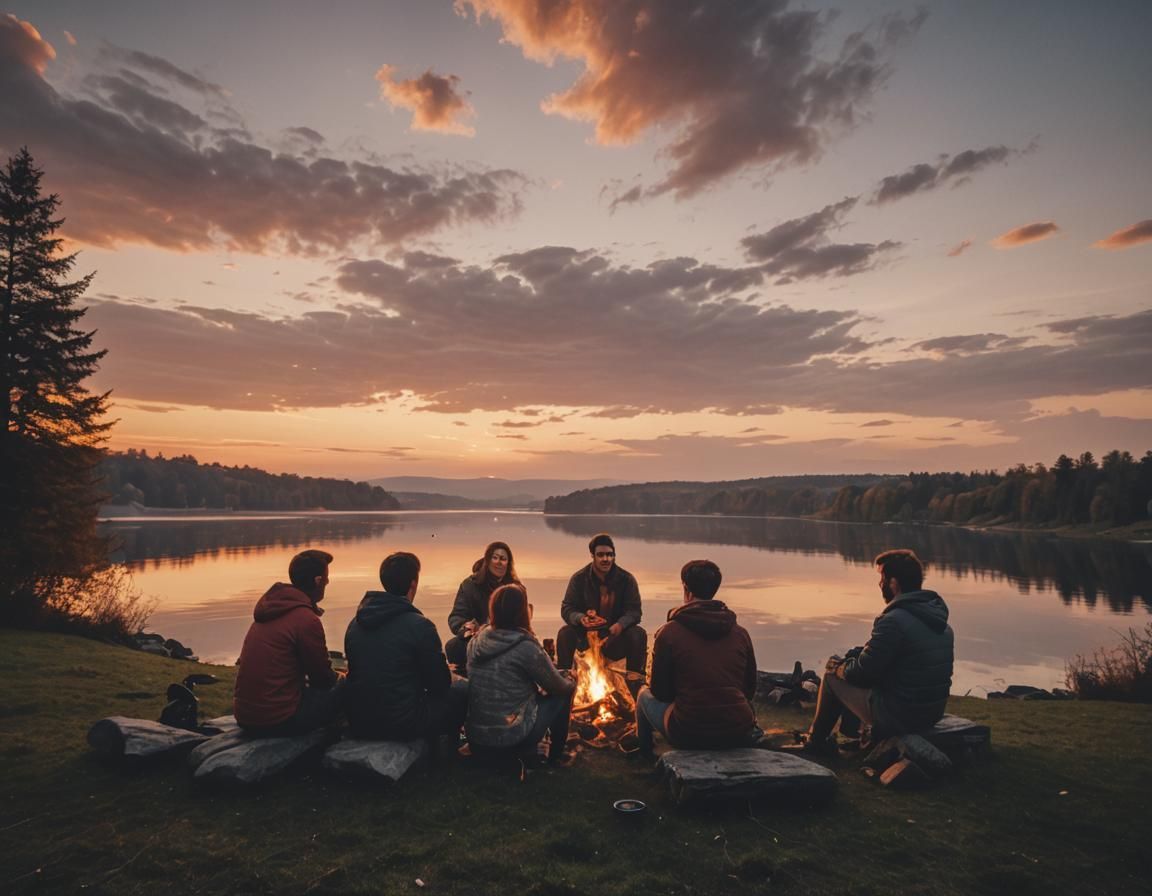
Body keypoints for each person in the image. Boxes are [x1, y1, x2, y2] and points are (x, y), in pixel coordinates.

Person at [789, 549, 954, 755]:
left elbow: (862, 675)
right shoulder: (939, 622)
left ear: (894, 583)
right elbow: (900, 659)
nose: (880, 584)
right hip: (931, 712)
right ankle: (856, 736)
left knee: (832, 677)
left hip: (902, 715)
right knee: (854, 665)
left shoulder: (893, 621)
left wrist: (839, 667)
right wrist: (859, 654)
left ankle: (816, 742)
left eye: (882, 578)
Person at [635, 560, 759, 756]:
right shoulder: (740, 633)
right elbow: (749, 689)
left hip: (689, 731)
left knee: (643, 695)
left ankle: (644, 753)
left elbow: (660, 692)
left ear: (686, 589)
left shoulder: (669, 633)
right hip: (738, 730)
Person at [343, 551, 468, 743]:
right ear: (413, 584)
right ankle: (447, 753)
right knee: (462, 691)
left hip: (360, 720)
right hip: (401, 723)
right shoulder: (420, 626)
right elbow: (439, 685)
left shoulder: (356, 622)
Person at [233, 549, 343, 735]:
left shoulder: (272, 608)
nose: (328, 582)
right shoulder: (305, 619)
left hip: (245, 715)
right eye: (326, 577)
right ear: (317, 581)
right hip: (278, 719)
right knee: (347, 685)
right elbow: (322, 679)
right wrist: (342, 677)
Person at [466, 583, 576, 764]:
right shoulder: (525, 646)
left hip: (477, 738)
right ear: (521, 611)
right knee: (564, 692)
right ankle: (556, 755)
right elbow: (558, 686)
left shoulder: (476, 641)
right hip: (511, 738)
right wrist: (571, 678)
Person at [556, 534, 647, 687]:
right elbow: (567, 608)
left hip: (615, 637)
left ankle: (635, 682)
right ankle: (564, 680)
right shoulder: (579, 579)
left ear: (614, 555)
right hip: (586, 637)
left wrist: (620, 625)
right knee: (565, 633)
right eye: (601, 555)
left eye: (610, 555)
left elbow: (634, 611)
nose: (606, 559)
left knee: (638, 634)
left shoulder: (627, 579)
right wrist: (580, 618)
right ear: (592, 556)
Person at [444, 541, 519, 675]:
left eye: (503, 559)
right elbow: (456, 616)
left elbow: (523, 618)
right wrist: (466, 628)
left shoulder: (515, 587)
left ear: (509, 563)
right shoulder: (469, 585)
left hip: (507, 638)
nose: (498, 562)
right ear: (487, 560)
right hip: (476, 639)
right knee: (453, 646)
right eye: (495, 557)